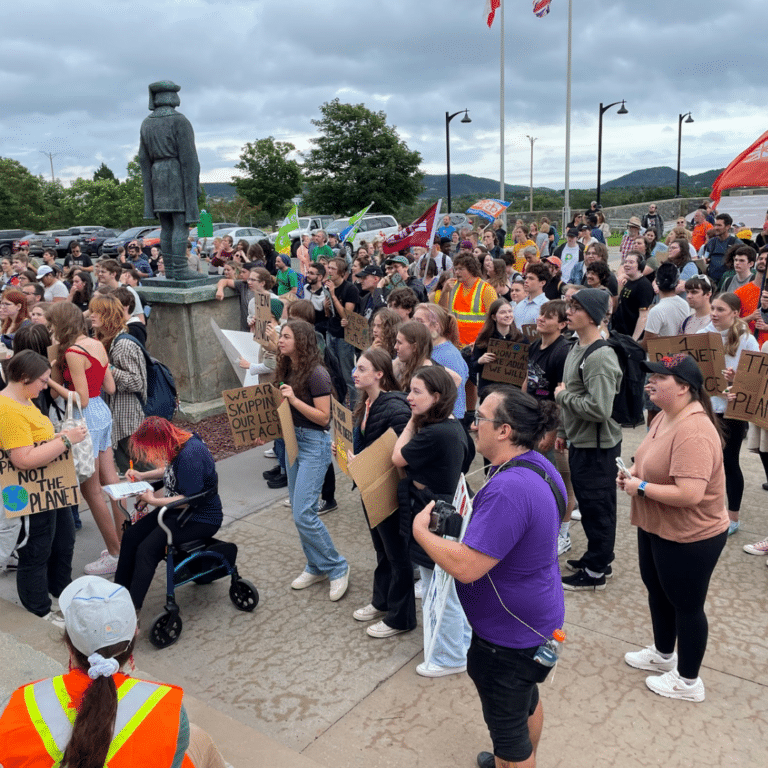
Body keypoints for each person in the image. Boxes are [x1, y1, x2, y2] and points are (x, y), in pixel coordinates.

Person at [412, 386, 565, 768]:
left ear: (505, 431)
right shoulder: (538, 465)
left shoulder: (509, 489)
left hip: (507, 635)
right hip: (537, 618)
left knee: (510, 740)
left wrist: (422, 534)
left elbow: (467, 566)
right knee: (525, 702)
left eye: (480, 418)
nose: (473, 423)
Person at [0, 574, 227, 768]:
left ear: (68, 643)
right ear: (134, 636)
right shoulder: (169, 713)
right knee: (198, 737)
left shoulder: (17, 705)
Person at [619, 354, 726, 703]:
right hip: (657, 524)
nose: (651, 382)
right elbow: (646, 458)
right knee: (658, 590)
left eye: (660, 378)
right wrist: (634, 473)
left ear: (683, 388)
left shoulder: (694, 429)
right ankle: (664, 653)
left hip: (690, 534)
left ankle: (688, 681)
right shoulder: (665, 416)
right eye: (652, 375)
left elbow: (690, 493)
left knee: (686, 604)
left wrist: (643, 488)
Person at [392, 366, 474, 677]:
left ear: (436, 397)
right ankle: (459, 646)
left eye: (416, 392)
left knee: (438, 590)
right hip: (448, 516)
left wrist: (412, 421)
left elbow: (397, 457)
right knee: (444, 588)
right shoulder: (453, 428)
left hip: (435, 521)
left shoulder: (434, 432)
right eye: (409, 390)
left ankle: (449, 658)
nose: (409, 397)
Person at [0, 351, 87, 622]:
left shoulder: (23, 399)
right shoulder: (9, 411)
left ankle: (60, 591)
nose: (46, 385)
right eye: (43, 380)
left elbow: (38, 439)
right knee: (37, 549)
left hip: (50, 487)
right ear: (24, 378)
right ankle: (39, 609)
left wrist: (59, 436)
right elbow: (22, 459)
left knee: (63, 539)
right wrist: (66, 441)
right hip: (31, 490)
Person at [274, 320, 350, 600]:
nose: (280, 341)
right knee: (298, 510)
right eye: (281, 336)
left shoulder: (317, 373)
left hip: (313, 445)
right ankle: (316, 565)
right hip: (291, 440)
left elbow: (324, 418)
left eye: (286, 336)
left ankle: (337, 566)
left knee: (303, 512)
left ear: (302, 341)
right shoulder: (286, 367)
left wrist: (293, 399)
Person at [46, 302, 124, 575]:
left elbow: (80, 398)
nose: (50, 329)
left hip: (85, 417)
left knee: (90, 489)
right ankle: (124, 542)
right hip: (102, 413)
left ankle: (115, 553)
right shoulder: (96, 344)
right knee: (111, 480)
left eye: (52, 324)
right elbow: (110, 387)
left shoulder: (73, 352)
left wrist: (51, 379)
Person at [115, 417, 222, 614]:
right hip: (176, 512)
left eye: (149, 449)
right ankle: (118, 594)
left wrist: (153, 500)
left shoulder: (191, 455)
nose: (148, 455)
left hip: (199, 517)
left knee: (147, 550)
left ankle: (132, 610)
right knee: (131, 536)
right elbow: (170, 471)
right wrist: (143, 476)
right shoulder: (178, 441)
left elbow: (188, 500)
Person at [555, 289, 622, 590]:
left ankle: (596, 571)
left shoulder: (600, 356)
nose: (569, 312)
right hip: (580, 442)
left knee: (598, 508)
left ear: (593, 315)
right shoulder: (576, 347)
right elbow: (573, 395)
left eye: (577, 308)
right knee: (593, 505)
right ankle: (596, 556)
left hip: (598, 447)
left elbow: (599, 408)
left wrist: (562, 396)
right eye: (570, 306)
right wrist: (562, 432)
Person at [350, 348, 415, 637]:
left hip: (390, 492)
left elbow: (405, 452)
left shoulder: (394, 408)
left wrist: (363, 462)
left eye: (362, 369)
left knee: (397, 554)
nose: (355, 373)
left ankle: (401, 618)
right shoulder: (366, 404)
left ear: (379, 374)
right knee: (382, 549)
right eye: (356, 368)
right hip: (371, 487)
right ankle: (382, 600)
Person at [697, 293, 759, 534]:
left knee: (729, 462)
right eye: (712, 308)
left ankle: (733, 517)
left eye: (720, 309)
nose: (714, 313)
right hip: (707, 408)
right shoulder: (703, 334)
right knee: (706, 462)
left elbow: (755, 380)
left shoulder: (747, 339)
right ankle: (707, 509)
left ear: (734, 313)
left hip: (732, 411)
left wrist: (738, 381)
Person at [90, 294, 149, 475]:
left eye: (97, 312)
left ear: (108, 315)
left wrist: (108, 368)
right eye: (91, 311)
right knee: (131, 470)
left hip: (130, 419)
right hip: (120, 418)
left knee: (143, 468)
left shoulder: (123, 344)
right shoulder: (109, 341)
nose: (91, 315)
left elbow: (136, 382)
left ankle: (167, 501)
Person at [412, 303, 468, 420]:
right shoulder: (427, 348)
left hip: (448, 418)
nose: (414, 325)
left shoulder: (449, 355)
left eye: (420, 321)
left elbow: (455, 389)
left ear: (435, 326)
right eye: (413, 320)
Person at [471, 299, 523, 392]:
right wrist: (480, 361)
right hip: (489, 390)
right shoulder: (483, 339)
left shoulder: (521, 339)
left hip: (513, 392)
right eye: (503, 312)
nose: (508, 315)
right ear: (494, 317)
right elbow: (473, 367)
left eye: (510, 311)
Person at [612, 252, 654, 340]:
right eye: (626, 262)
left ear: (640, 265)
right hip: (620, 333)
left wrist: (633, 340)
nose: (627, 265)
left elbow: (643, 317)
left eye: (631, 262)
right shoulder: (629, 281)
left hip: (631, 337)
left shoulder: (644, 286)